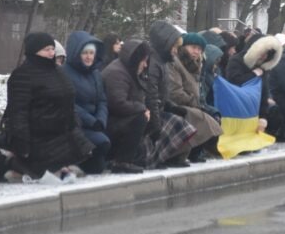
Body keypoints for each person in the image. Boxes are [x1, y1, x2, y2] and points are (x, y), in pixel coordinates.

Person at [0, 33, 94, 182]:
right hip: (37, 134)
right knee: (40, 172)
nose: (51, 53)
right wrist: (23, 143)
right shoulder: (22, 75)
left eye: (52, 49)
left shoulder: (58, 71)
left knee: (86, 152)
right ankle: (9, 163)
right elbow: (18, 112)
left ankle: (55, 166)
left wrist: (75, 123)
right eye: (46, 49)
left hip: (63, 130)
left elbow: (69, 100)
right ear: (34, 51)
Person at [144, 21, 199, 168]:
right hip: (150, 111)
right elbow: (152, 95)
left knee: (181, 119)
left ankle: (174, 157)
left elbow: (162, 94)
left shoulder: (161, 61)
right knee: (176, 123)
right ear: (165, 45)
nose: (176, 51)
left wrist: (171, 106)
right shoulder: (154, 63)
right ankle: (157, 159)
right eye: (174, 47)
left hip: (159, 108)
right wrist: (155, 121)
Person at [62, 31, 112, 175]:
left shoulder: (95, 73)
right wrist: (91, 121)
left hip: (95, 123)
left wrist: (101, 119)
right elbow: (69, 103)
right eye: (85, 53)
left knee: (100, 160)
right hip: (78, 124)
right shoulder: (65, 73)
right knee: (102, 144)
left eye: (91, 53)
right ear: (76, 53)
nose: (89, 56)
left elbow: (102, 99)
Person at [169, 33, 223, 161]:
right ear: (183, 47)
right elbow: (175, 92)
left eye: (199, 49)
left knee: (212, 115)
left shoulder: (195, 65)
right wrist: (195, 102)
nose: (196, 51)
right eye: (193, 47)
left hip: (192, 102)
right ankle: (185, 153)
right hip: (178, 104)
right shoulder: (175, 63)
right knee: (200, 117)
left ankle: (197, 151)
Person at [102, 39, 151, 173]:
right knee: (140, 118)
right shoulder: (117, 73)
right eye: (144, 60)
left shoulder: (128, 70)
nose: (145, 65)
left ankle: (132, 158)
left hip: (116, 119)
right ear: (136, 59)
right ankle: (122, 161)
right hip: (109, 121)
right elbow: (118, 103)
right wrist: (142, 108)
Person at [225, 34, 282, 138]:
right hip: (238, 102)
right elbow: (234, 82)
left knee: (276, 109)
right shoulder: (236, 61)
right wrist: (253, 74)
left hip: (255, 103)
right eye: (262, 52)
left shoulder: (263, 67)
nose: (264, 56)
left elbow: (264, 93)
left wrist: (263, 117)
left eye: (267, 54)